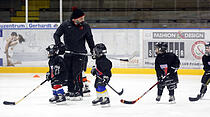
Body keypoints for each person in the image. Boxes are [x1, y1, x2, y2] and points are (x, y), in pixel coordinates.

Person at [53, 7, 95, 100]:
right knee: (69, 73)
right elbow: (56, 35)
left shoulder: (86, 26)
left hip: (80, 54)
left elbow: (90, 39)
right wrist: (59, 45)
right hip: (68, 53)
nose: (83, 20)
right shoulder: (65, 25)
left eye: (83, 18)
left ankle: (79, 91)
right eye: (81, 18)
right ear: (74, 19)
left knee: (77, 72)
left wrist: (93, 51)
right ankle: (71, 90)